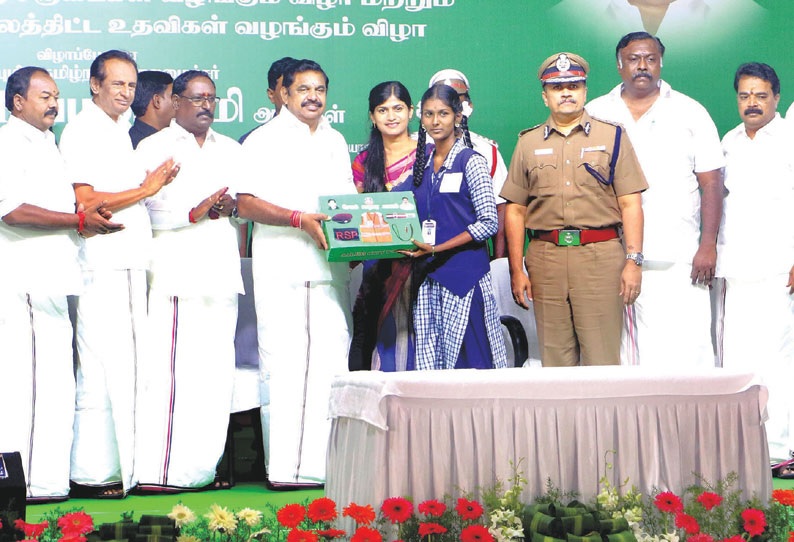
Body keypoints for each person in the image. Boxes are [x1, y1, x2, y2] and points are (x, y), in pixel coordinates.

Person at [59, 49, 179, 498]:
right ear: (94, 85)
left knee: (119, 370)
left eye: (131, 85)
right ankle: (100, 474)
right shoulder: (84, 129)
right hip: (104, 263)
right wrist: (146, 188)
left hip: (125, 263)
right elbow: (86, 200)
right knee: (106, 370)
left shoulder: (116, 129)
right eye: (117, 83)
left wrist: (151, 191)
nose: (126, 93)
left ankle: (111, 470)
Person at [0, 67, 122, 503]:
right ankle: (26, 487)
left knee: (54, 387)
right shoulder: (8, 143)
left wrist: (83, 223)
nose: (54, 103)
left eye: (55, 96)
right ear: (18, 102)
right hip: (25, 282)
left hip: (53, 281)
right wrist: (77, 221)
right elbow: (12, 210)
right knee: (29, 388)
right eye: (44, 96)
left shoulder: (47, 143)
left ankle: (48, 482)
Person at [237, 59, 355, 486]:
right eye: (303, 89)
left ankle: (325, 467)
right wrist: (297, 219)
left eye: (320, 89)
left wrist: (361, 240)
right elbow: (244, 203)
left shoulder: (335, 139)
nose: (313, 97)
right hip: (283, 269)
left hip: (329, 272)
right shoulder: (263, 140)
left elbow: (347, 205)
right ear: (283, 94)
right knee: (284, 369)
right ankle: (285, 469)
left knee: (331, 366)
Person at [586, 32, 725, 368]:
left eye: (650, 59)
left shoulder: (690, 112)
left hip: (680, 256)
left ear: (661, 63)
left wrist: (708, 245)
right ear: (619, 65)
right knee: (627, 357)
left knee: (689, 351)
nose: (642, 66)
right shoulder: (596, 112)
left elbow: (712, 184)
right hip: (614, 255)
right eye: (634, 59)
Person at [133, 70, 244, 492]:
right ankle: (160, 472)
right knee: (171, 378)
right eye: (197, 98)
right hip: (177, 275)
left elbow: (242, 206)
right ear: (176, 101)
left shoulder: (231, 149)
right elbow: (143, 211)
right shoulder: (154, 147)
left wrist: (231, 207)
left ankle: (199, 472)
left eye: (211, 98)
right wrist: (193, 212)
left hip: (221, 274)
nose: (206, 106)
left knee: (215, 378)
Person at [501, 52, 647, 367]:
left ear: (585, 91)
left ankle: (603, 405)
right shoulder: (527, 143)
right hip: (546, 259)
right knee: (555, 359)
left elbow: (630, 202)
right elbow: (515, 210)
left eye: (574, 86)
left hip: (600, 257)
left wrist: (633, 261)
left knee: (602, 358)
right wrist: (516, 269)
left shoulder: (612, 136)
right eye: (557, 87)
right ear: (545, 96)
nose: (566, 93)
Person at [398, 83, 508, 370]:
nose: (435, 121)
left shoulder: (471, 161)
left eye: (443, 113)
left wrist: (438, 247)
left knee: (471, 367)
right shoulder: (422, 167)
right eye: (429, 114)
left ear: (458, 116)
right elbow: (393, 202)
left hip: (465, 279)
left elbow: (489, 222)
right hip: (429, 278)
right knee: (433, 366)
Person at [716, 62, 793, 465]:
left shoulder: (789, 138)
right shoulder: (728, 141)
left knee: (777, 360)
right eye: (745, 95)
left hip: (780, 269)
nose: (752, 103)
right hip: (736, 268)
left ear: (776, 98)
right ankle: (743, 449)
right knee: (739, 360)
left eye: (761, 96)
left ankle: (779, 448)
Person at [348, 81, 417, 372]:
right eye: (382, 110)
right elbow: (354, 213)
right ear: (372, 116)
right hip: (377, 266)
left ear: (411, 112)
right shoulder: (364, 161)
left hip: (421, 264)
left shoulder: (429, 155)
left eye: (398, 108)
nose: (391, 116)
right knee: (369, 343)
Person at [427, 69, 509, 258]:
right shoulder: (415, 148)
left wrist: (498, 262)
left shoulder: (486, 150)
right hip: (419, 255)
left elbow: (500, 211)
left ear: (468, 106)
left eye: (456, 99)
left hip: (470, 254)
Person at [238, 56, 295, 145]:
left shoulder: (319, 135)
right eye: (287, 91)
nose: (295, 95)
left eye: (301, 89)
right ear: (271, 95)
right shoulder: (253, 140)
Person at [128, 70, 174, 149]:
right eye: (173, 97)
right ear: (157, 101)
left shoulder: (175, 140)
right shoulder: (130, 145)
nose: (178, 102)